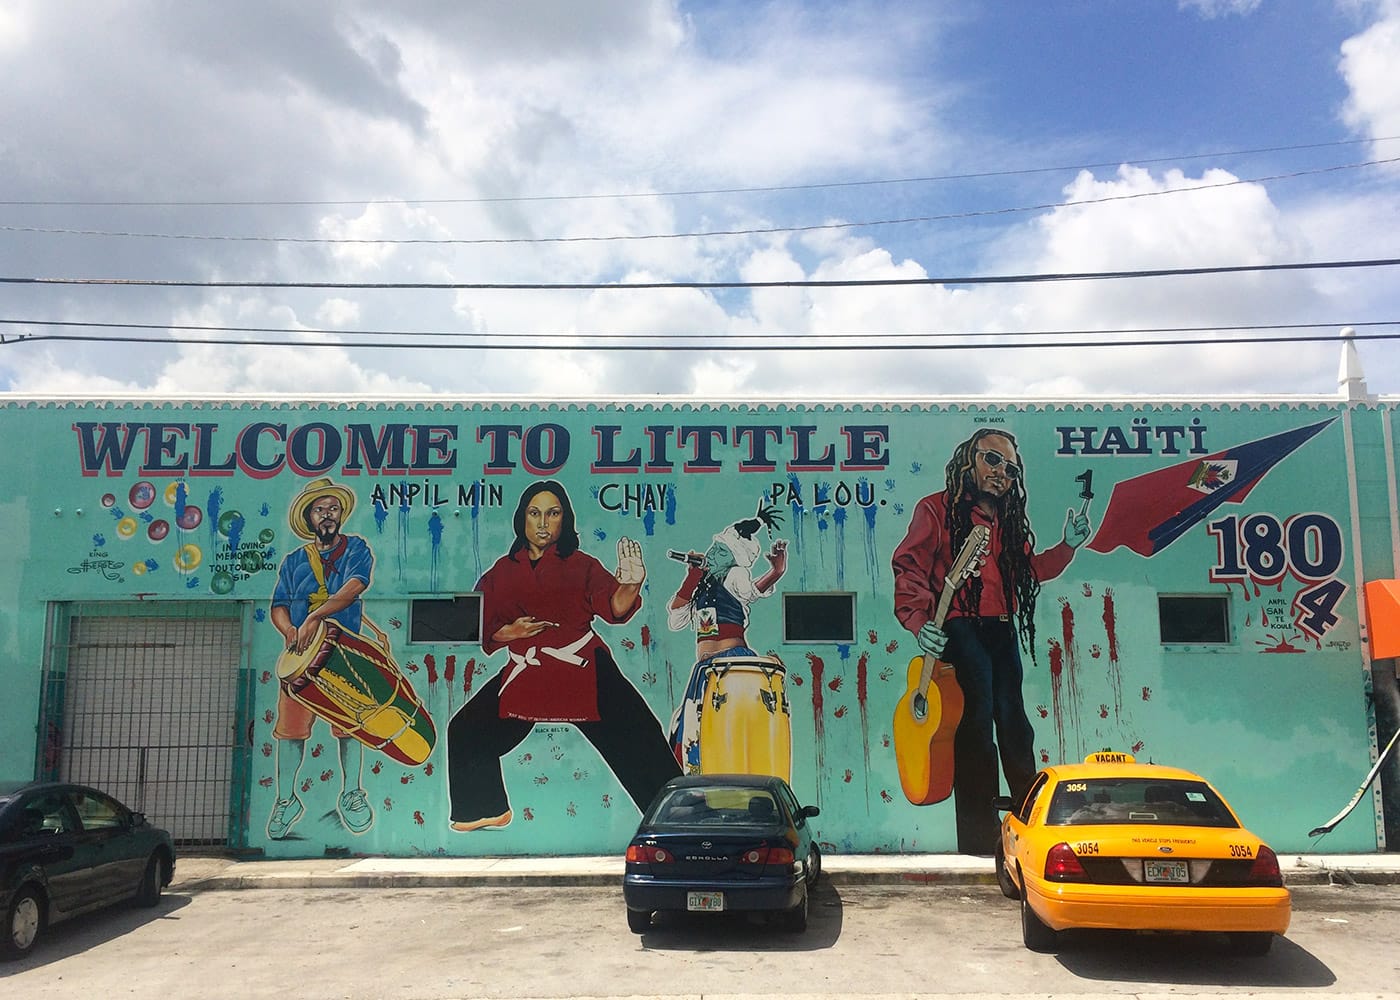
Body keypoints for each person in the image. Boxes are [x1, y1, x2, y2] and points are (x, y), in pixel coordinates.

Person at [891, 429, 1091, 854]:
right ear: (969, 459)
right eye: (993, 461)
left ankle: (1028, 826)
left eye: (1011, 468)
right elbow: (909, 566)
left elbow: (1025, 573)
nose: (1002, 473)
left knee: (1015, 725)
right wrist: (920, 620)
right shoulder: (935, 509)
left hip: (1000, 628)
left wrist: (1067, 547)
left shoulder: (1006, 520)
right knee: (974, 725)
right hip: (959, 628)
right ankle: (980, 839)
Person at [445, 480, 679, 831]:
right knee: (464, 730)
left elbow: (612, 606)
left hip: (582, 666)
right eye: (534, 513)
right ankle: (485, 808)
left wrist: (630, 585)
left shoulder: (582, 565)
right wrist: (511, 633)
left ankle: (677, 819)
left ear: (564, 520)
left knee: (642, 734)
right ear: (521, 519)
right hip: (527, 671)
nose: (542, 523)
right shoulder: (501, 571)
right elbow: (479, 623)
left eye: (552, 514)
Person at [267, 478, 375, 839]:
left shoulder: (356, 548)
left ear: (341, 514)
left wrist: (314, 617)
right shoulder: (294, 561)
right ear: (309, 517)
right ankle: (286, 799)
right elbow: (279, 605)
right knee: (290, 732)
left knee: (351, 726)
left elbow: (353, 587)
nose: (327, 515)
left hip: (344, 652)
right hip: (300, 655)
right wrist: (289, 631)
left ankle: (351, 793)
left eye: (333, 509)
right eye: (320, 509)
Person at [666, 503, 787, 771]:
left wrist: (776, 573)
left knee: (727, 729)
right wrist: (692, 578)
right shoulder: (701, 585)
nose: (713, 553)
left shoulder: (735, 574)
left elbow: (749, 591)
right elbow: (676, 618)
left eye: (720, 550)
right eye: (715, 548)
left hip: (733, 661)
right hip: (706, 668)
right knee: (692, 728)